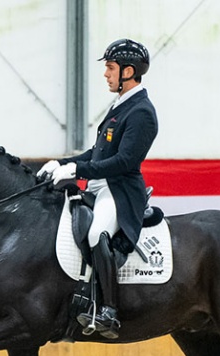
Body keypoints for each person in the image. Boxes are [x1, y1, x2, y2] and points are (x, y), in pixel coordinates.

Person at [38, 38, 158, 339]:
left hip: (119, 192)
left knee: (96, 234)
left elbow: (124, 162)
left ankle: (108, 310)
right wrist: (61, 162)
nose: (106, 74)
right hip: (99, 186)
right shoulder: (121, 107)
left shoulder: (141, 111)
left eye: (110, 68)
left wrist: (77, 170)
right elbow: (97, 153)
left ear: (128, 71)